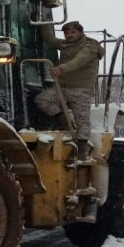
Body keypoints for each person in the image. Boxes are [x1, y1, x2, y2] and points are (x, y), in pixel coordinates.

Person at [34, 20, 104, 160]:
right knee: (42, 100)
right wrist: (44, 21)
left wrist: (61, 68)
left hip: (81, 89)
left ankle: (82, 150)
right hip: (63, 87)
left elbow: (80, 60)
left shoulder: (90, 45)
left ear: (80, 32)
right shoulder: (65, 44)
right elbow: (50, 39)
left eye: (73, 32)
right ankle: (64, 121)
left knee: (82, 119)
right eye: (67, 33)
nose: (69, 35)